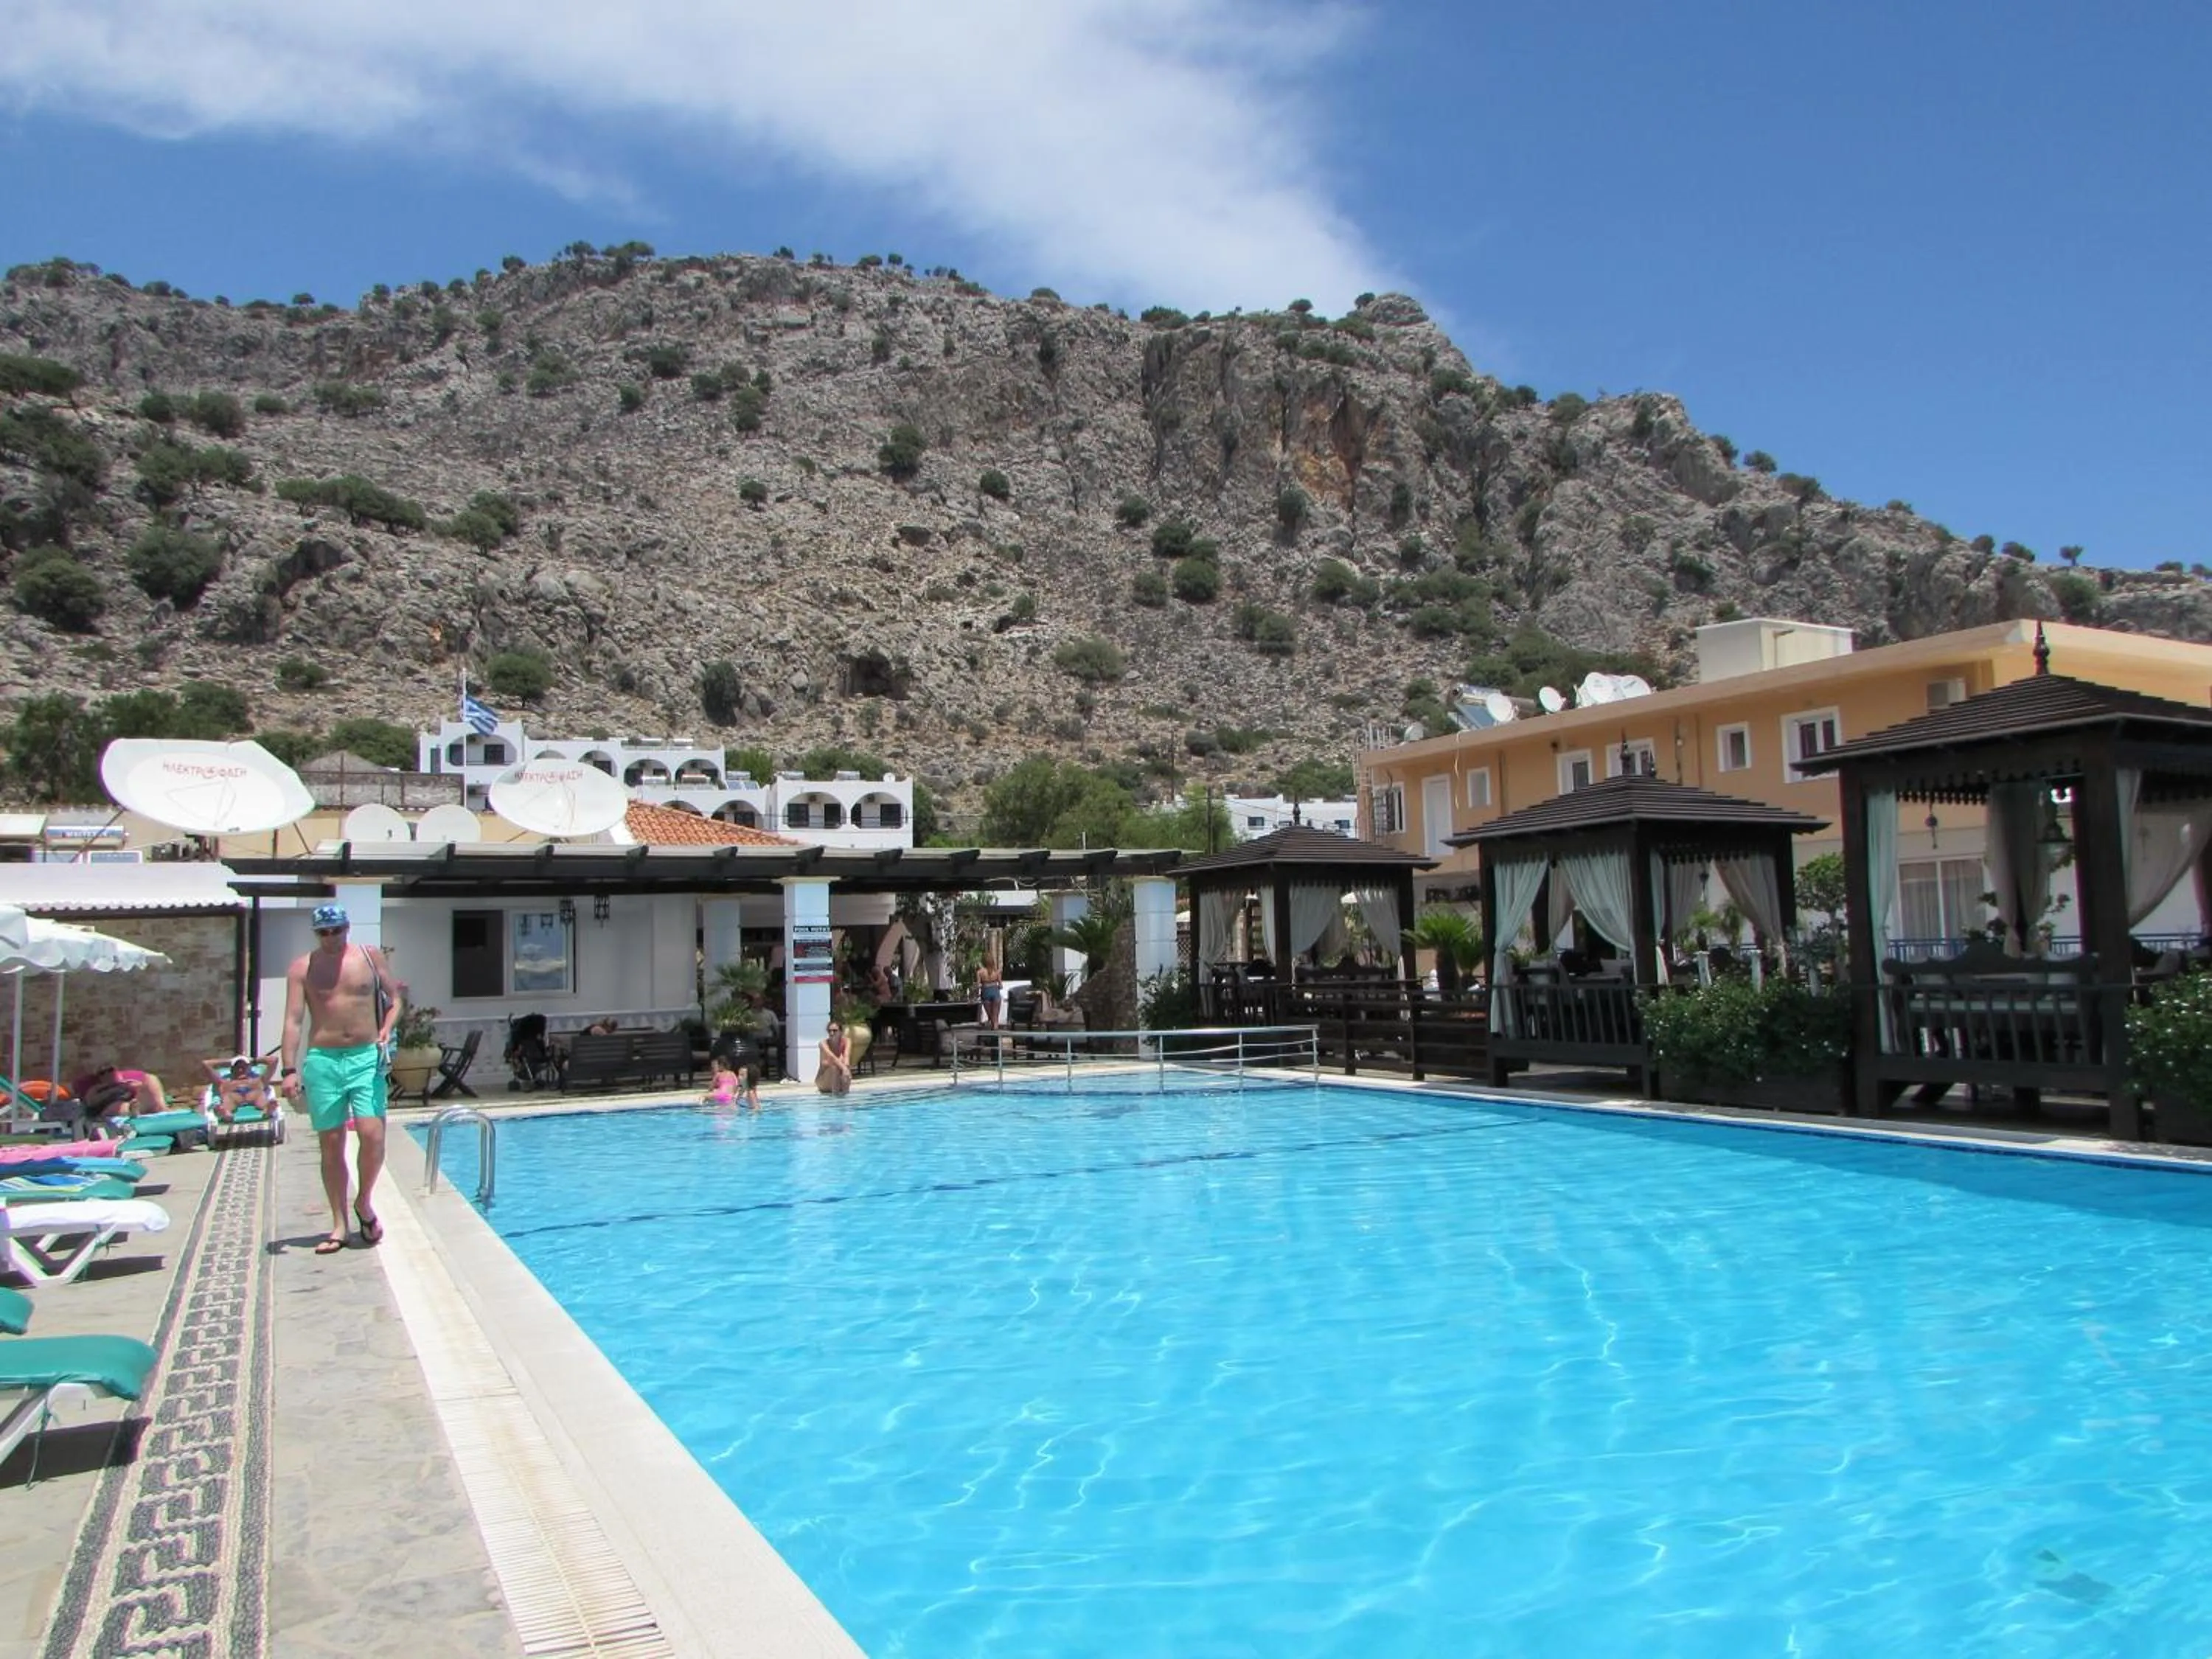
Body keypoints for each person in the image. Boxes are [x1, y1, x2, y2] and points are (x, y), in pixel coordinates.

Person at [279, 903, 400, 1256]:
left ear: (347, 928)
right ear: (316, 933)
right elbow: (293, 1021)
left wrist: (386, 1030)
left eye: (337, 930)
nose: (331, 938)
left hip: (365, 1056)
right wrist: (289, 1069)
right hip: (323, 1060)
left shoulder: (369, 956)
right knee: (331, 1143)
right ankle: (339, 1223)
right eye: (324, 932)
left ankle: (364, 1201)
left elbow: (394, 1000)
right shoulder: (302, 968)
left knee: (372, 1133)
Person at [204, 1054, 275, 1123]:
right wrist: (230, 1061)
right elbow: (206, 1064)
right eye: (237, 1068)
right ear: (232, 1069)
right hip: (234, 1098)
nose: (240, 1070)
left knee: (259, 1093)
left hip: (254, 1097)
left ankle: (268, 1110)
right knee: (228, 1097)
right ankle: (225, 1114)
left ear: (249, 1068)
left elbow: (274, 1060)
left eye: (244, 1067)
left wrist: (253, 1060)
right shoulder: (224, 1083)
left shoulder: (258, 1080)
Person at [816, 1025, 853, 1096]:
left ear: (841, 1032)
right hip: (823, 1081)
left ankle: (846, 1097)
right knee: (835, 1066)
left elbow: (847, 1055)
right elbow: (832, 1057)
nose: (832, 1033)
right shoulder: (823, 1043)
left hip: (840, 1080)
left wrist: (846, 1068)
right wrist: (845, 1069)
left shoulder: (847, 1041)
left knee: (845, 1063)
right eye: (829, 1031)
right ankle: (835, 1097)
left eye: (835, 1031)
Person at [977, 955, 1004, 1029]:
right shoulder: (997, 972)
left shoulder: (980, 972)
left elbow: (978, 985)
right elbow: (1001, 986)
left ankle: (993, 1032)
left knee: (991, 1016)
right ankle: (995, 1031)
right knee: (995, 1016)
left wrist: (976, 994)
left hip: (986, 993)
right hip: (995, 992)